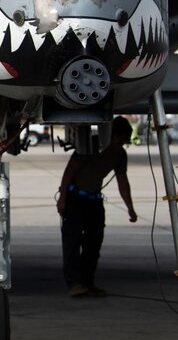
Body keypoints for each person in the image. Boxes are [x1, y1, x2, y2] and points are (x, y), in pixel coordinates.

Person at [56, 116, 138, 298]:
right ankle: (74, 284)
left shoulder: (120, 155)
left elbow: (123, 182)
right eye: (118, 137)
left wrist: (130, 208)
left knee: (93, 244)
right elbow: (70, 171)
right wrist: (62, 198)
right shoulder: (91, 145)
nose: (121, 142)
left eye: (124, 139)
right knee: (72, 243)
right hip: (75, 200)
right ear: (109, 135)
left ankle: (87, 282)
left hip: (94, 201)